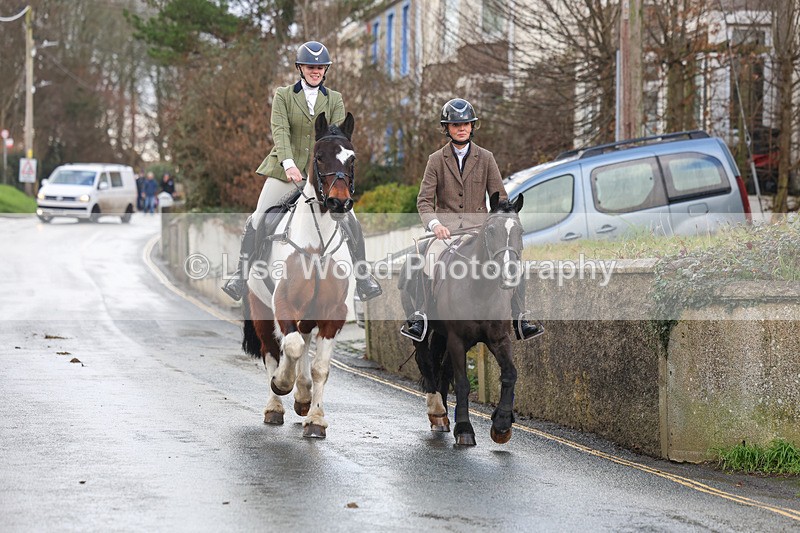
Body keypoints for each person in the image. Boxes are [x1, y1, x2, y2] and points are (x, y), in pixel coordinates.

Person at [222, 40, 382, 302]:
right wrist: (288, 163)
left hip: (324, 174)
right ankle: (240, 276)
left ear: (325, 70)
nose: (315, 71)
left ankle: (363, 278)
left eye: (320, 67)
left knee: (352, 221)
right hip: (287, 171)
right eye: (310, 67)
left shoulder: (335, 99)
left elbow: (337, 138)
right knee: (258, 218)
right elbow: (280, 131)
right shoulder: (283, 96)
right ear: (300, 68)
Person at [402, 98, 543, 341]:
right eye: (456, 125)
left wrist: (500, 221)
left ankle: (520, 317)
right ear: (446, 128)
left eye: (466, 124)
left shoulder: (486, 158)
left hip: (479, 230)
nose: (462, 128)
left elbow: (500, 198)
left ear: (472, 126)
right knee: (426, 258)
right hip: (446, 233)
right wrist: (435, 225)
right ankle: (420, 316)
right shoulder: (435, 160)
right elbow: (424, 201)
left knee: (511, 258)